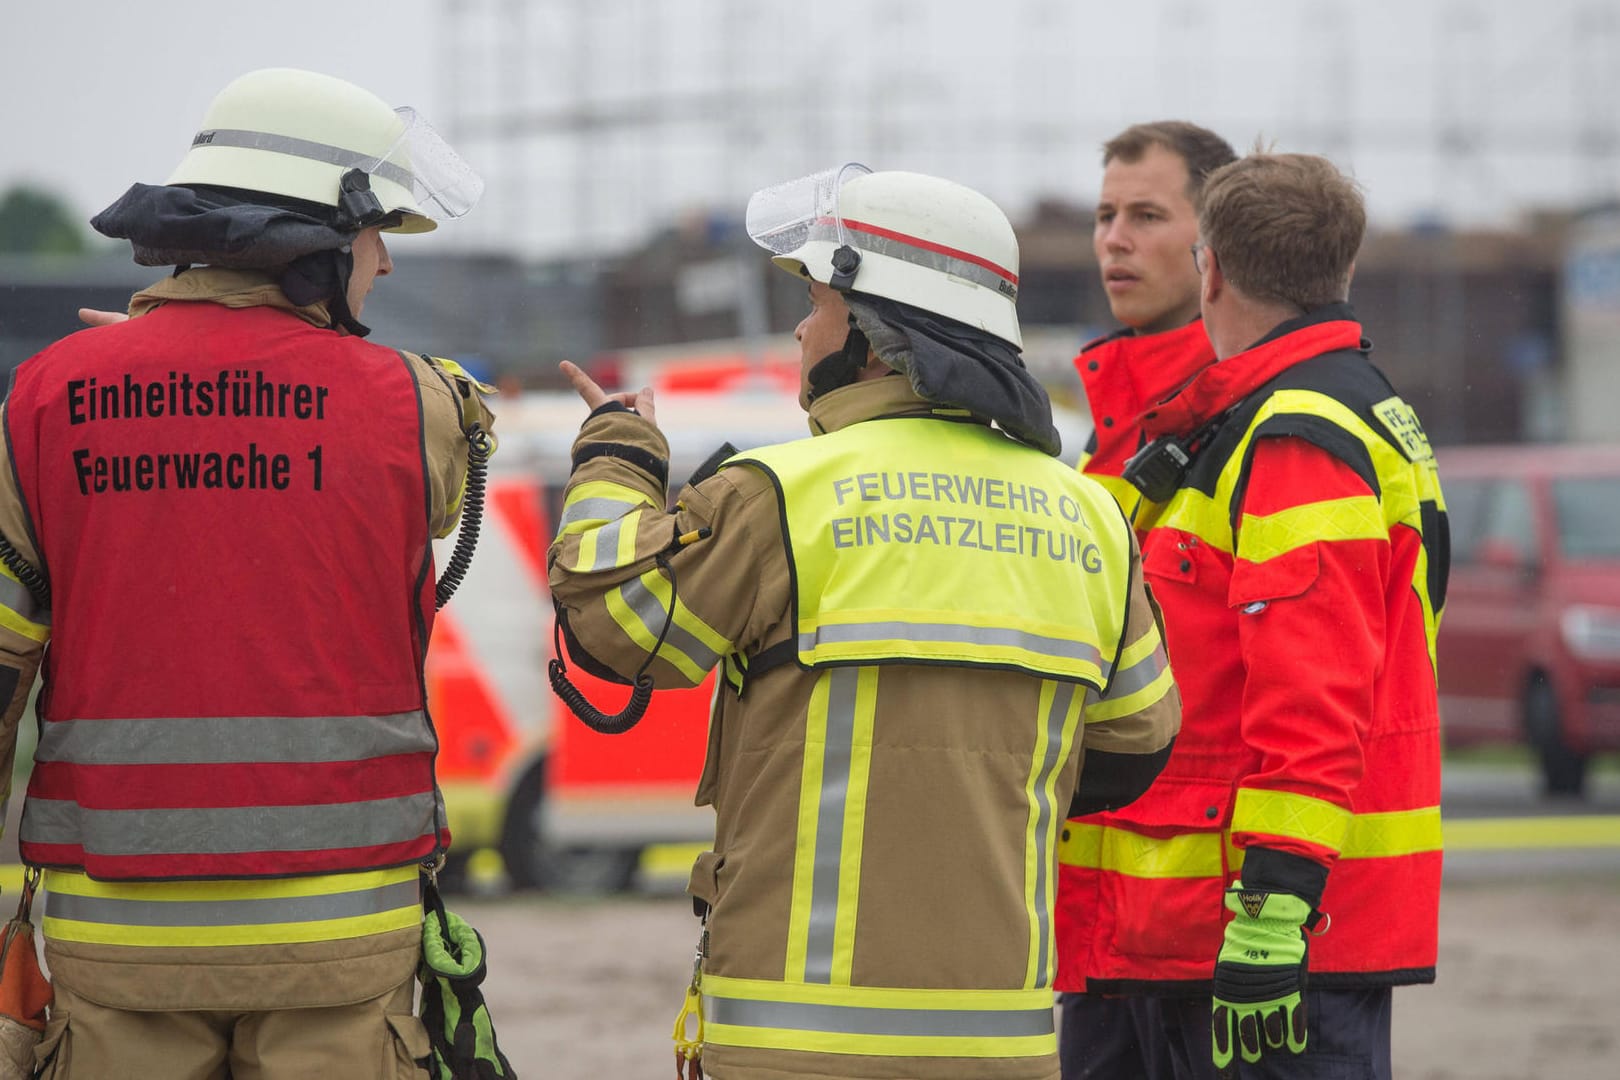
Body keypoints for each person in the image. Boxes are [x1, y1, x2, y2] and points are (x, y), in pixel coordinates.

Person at [548, 165, 1181, 1080]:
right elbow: (1137, 741)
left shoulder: (779, 496)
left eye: (817, 301)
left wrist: (616, 452)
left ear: (880, 335)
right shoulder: (1092, 517)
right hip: (1005, 1045)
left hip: (795, 1046)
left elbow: (616, 621)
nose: (804, 326)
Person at [0, 67, 492, 1078]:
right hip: (341, 935)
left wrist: (136, 363)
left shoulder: (43, 400)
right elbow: (444, 464)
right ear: (313, 242)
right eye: (374, 233)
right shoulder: (414, 401)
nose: (386, 264)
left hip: (117, 938)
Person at [1058, 149, 1448, 1080]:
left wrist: (1275, 908)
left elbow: (1313, 701)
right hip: (1201, 935)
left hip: (1265, 940)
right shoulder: (1297, 413)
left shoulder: (1297, 434)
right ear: (1338, 271)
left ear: (1212, 269)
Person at [1055, 121, 1238, 1074]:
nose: (1113, 240)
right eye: (1103, 215)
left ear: (1218, 245)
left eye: (1147, 215)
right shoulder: (1106, 437)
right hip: (1094, 926)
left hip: (1208, 928)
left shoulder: (1247, 419)